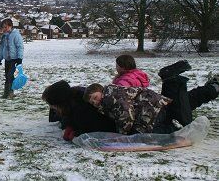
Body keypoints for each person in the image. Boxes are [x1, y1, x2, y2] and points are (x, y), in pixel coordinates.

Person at [43, 60, 218, 140]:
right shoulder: (79, 94)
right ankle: (213, 87)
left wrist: (76, 131)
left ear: (61, 103)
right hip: (146, 105)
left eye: (53, 106)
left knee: (180, 116)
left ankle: (172, 81)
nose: (54, 110)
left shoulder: (81, 111)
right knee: (182, 102)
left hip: (145, 117)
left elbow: (101, 129)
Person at [0, 18, 24, 99]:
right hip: (7, 60)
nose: (4, 29)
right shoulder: (4, 36)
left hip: (14, 60)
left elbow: (20, 47)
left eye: (6, 27)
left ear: (10, 26)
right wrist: (0, 58)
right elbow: (2, 48)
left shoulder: (16, 35)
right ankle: (6, 93)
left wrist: (19, 58)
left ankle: (10, 93)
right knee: (7, 77)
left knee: (10, 76)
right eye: (3, 27)